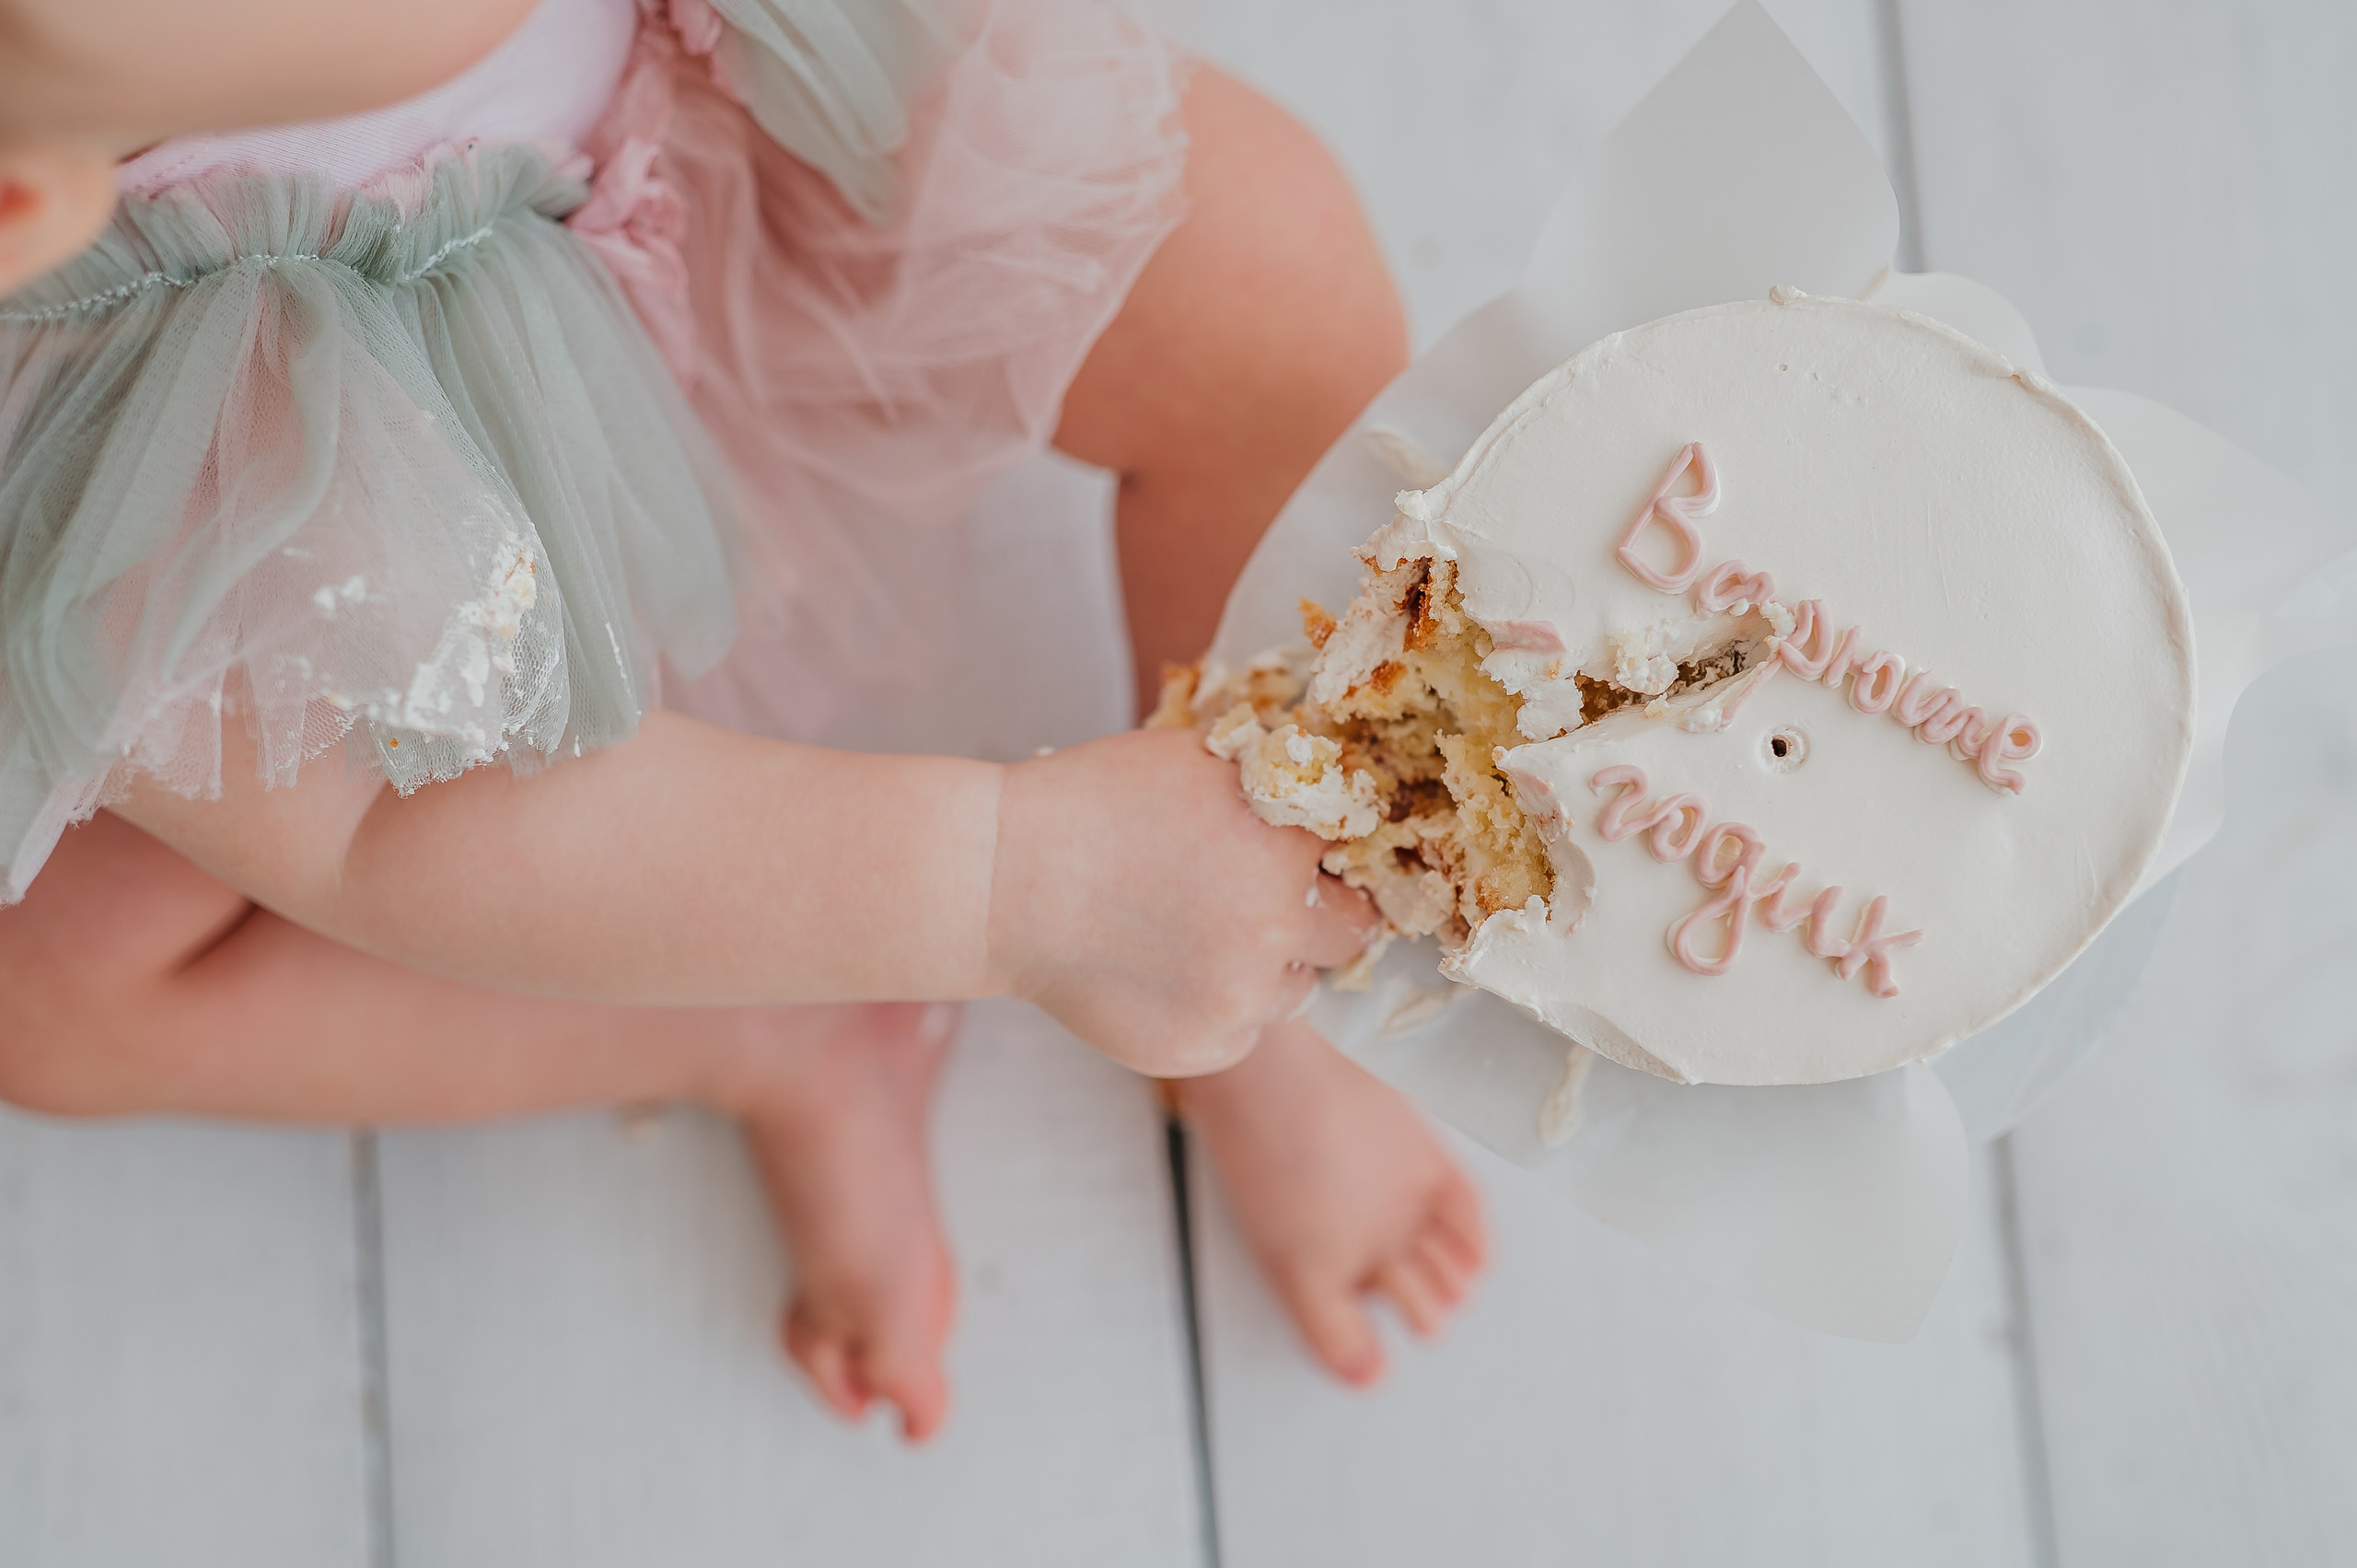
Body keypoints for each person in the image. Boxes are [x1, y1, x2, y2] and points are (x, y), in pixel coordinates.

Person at [0, 0, 1485, 1440]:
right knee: (54, 1009)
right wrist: (1016, 879)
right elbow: (390, 828)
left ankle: (1270, 906)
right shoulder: (92, 420)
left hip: (713, 134)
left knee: (1264, 288)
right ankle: (768, 1025)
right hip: (337, 579)